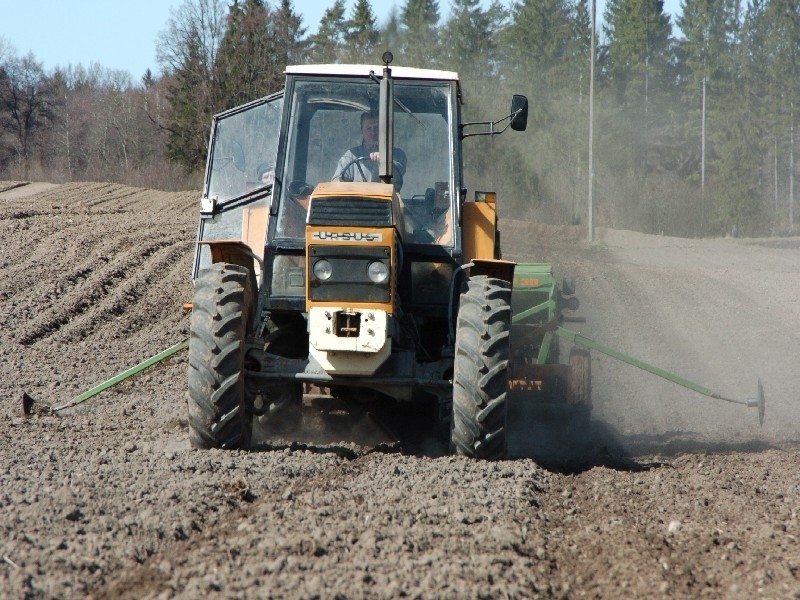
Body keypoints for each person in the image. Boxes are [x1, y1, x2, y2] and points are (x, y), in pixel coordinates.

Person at [332, 111, 406, 190]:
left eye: (376, 128)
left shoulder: (396, 154)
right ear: (362, 131)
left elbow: (399, 171)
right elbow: (336, 183)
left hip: (387, 201)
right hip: (357, 201)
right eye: (368, 128)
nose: (373, 132)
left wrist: (385, 161)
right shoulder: (350, 155)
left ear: (384, 130)